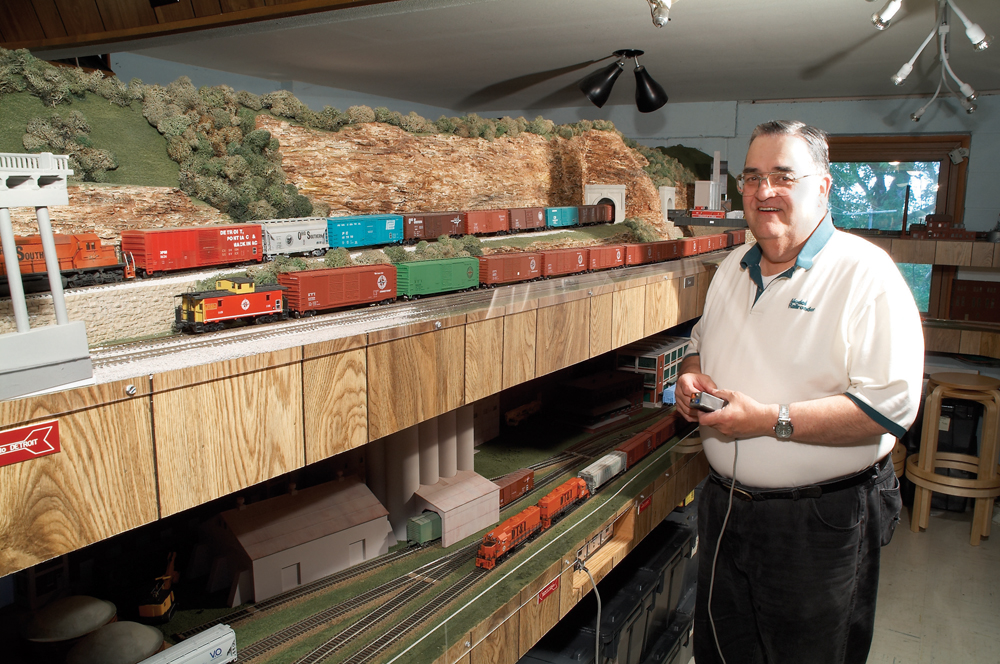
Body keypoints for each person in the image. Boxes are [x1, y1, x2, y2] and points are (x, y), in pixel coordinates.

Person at [674, 120, 923, 664]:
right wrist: (690, 375)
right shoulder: (731, 271)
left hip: (819, 523)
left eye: (783, 176)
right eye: (753, 177)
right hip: (725, 507)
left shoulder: (865, 273)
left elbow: (888, 409)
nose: (764, 192)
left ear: (823, 187)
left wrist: (769, 419)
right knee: (722, 652)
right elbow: (699, 343)